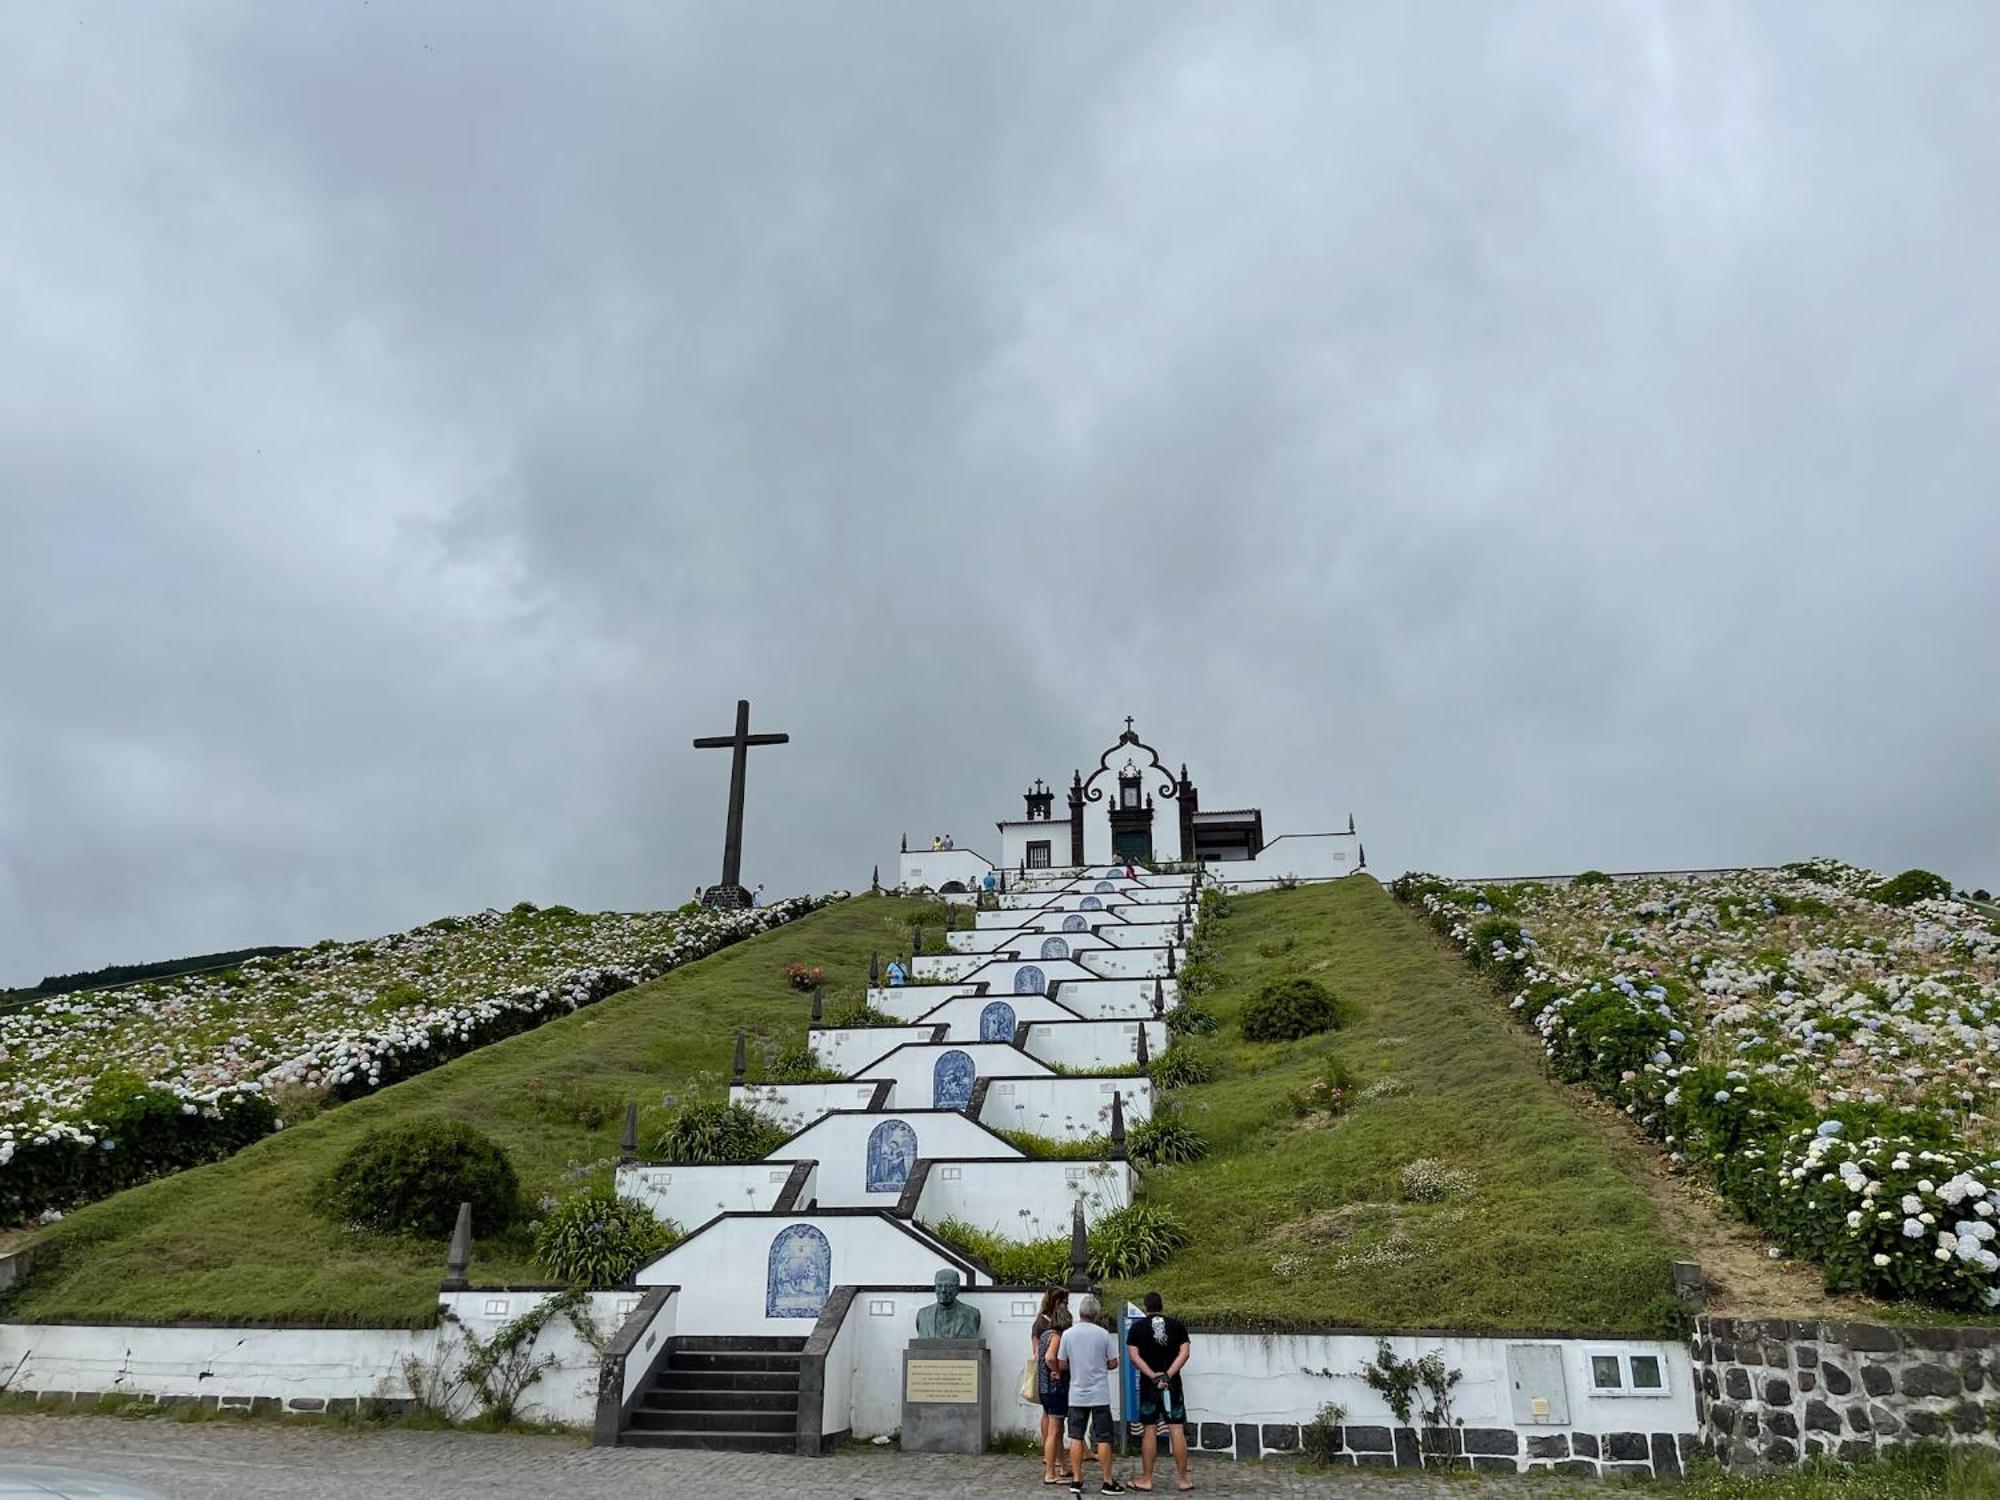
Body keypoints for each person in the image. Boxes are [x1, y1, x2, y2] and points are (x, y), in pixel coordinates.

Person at [1053, 1293, 1124, 1495]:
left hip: (1076, 1393)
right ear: (1097, 1313)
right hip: (1099, 1393)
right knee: (1103, 1438)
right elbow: (1112, 1362)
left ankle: (1076, 1479)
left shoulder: (1068, 1334)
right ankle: (1107, 1481)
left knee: (1076, 1436)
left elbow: (1062, 1363)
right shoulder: (1102, 1334)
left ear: (1080, 1312)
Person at [1125, 1291, 1193, 1492]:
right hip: (1172, 1385)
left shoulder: (1137, 1327)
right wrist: (1168, 1375)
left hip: (1149, 1385)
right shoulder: (1177, 1326)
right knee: (1176, 1428)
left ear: (1146, 1307)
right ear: (1161, 1306)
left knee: (1149, 1429)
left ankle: (1146, 1479)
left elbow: (1133, 1357)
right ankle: (1183, 1479)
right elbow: (1185, 1353)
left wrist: (1153, 1375)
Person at [1032, 1288, 1075, 1485]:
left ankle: (1063, 1466)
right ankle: (1050, 1472)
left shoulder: (1045, 1334)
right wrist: (1057, 1369)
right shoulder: (1057, 1337)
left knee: (1055, 1429)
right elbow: (1050, 1358)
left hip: (1044, 1388)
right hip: (1055, 1389)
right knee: (1055, 1431)